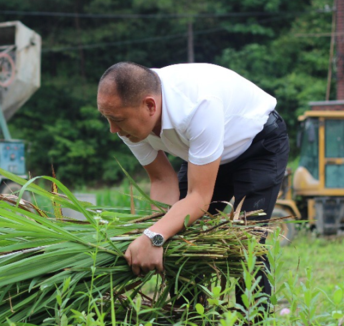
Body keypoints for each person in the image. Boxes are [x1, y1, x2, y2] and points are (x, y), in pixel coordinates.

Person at [96, 62, 289, 308]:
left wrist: (153, 237)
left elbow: (199, 197)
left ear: (150, 106)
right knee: (179, 230)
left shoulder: (197, 105)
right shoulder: (130, 124)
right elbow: (162, 180)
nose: (113, 130)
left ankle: (252, 321)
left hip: (257, 144)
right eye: (107, 118)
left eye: (117, 120)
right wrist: (156, 232)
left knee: (246, 236)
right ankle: (187, 313)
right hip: (202, 153)